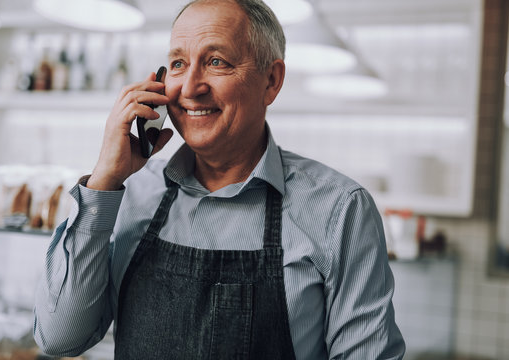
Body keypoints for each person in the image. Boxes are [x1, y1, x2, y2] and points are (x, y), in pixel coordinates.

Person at [33, 0, 406, 359]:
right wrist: (103, 181)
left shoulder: (340, 210)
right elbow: (60, 338)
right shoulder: (130, 193)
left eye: (216, 62)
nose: (191, 87)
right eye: (178, 63)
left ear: (271, 81)